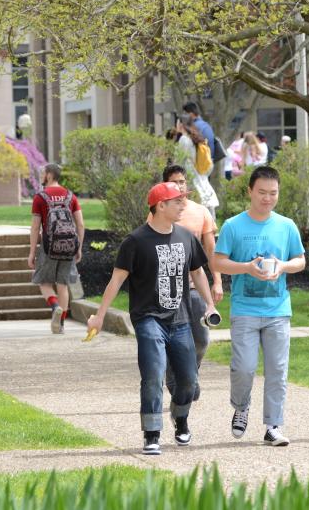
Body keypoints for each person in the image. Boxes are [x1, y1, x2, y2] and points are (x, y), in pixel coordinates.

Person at [88, 182, 218, 455]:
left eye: (183, 200)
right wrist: (99, 317)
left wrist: (208, 304)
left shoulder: (186, 237)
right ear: (161, 206)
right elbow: (116, 281)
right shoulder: (135, 242)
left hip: (181, 319)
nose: (184, 205)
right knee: (153, 375)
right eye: (177, 201)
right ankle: (151, 433)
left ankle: (180, 418)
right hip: (148, 320)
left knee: (188, 380)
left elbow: (197, 273)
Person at [212, 165, 305, 446]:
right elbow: (217, 262)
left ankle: (273, 426)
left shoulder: (286, 226)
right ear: (250, 191)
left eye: (273, 193)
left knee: (278, 369)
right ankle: (241, 406)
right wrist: (246, 268)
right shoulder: (233, 226)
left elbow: (300, 261)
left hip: (278, 310)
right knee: (244, 367)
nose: (267, 198)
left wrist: (283, 265)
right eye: (262, 192)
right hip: (244, 309)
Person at [147, 164, 224, 401]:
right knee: (171, 339)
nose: (180, 186)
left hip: (194, 288)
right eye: (174, 182)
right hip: (167, 290)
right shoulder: (159, 211)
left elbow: (211, 250)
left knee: (201, 339)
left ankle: (191, 374)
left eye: (182, 181)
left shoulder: (200, 212)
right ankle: (175, 381)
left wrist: (217, 281)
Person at [29, 163, 84, 334]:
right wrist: (79, 247)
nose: (41, 176)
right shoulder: (71, 196)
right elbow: (81, 224)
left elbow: (35, 227)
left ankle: (54, 307)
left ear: (50, 175)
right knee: (62, 284)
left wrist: (32, 252)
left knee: (43, 282)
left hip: (48, 247)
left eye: (43, 173)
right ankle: (60, 325)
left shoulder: (40, 197)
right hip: (68, 247)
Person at [176, 118, 219, 220]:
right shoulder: (198, 139)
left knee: (195, 206)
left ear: (181, 125)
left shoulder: (184, 139)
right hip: (201, 176)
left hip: (190, 176)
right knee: (206, 206)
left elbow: (178, 160)